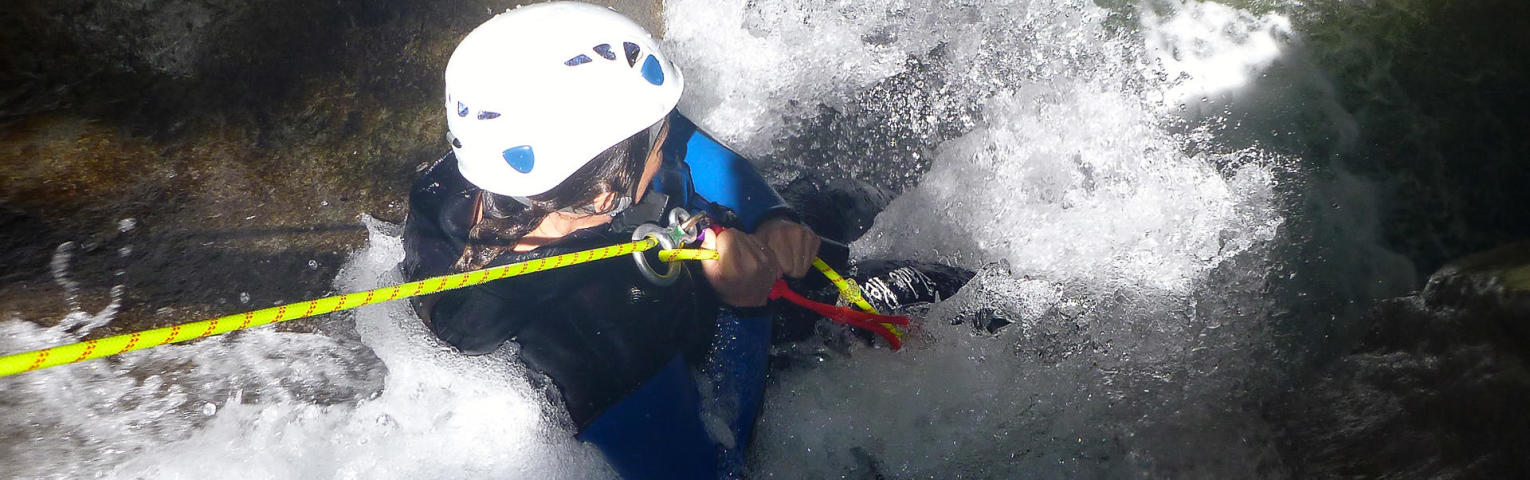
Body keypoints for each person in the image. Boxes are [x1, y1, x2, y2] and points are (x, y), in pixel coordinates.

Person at [400, 3, 821, 478]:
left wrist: (769, 213)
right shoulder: (605, 327)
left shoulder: (452, 184)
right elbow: (716, 466)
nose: (669, 143)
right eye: (658, 143)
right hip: (718, 339)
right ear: (605, 194)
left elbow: (681, 141)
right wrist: (745, 306)